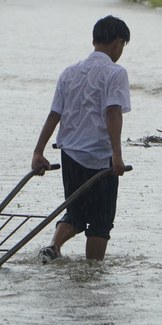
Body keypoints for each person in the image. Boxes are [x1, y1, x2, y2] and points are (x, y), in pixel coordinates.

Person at [31, 15, 131, 263]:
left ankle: (53, 247)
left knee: (75, 211)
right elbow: (113, 112)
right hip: (100, 157)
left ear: (94, 39)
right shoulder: (115, 72)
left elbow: (55, 114)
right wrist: (117, 156)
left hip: (71, 153)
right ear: (118, 43)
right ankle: (92, 274)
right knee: (100, 221)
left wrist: (38, 152)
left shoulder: (69, 72)